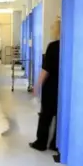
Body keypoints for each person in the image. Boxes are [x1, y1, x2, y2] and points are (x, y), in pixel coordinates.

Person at [29, 17, 61, 151]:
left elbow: (46, 69)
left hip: (51, 86)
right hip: (63, 87)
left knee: (46, 115)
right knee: (60, 116)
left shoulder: (53, 46)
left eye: (53, 27)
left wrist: (37, 86)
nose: (51, 29)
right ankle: (55, 143)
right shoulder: (70, 46)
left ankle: (41, 142)